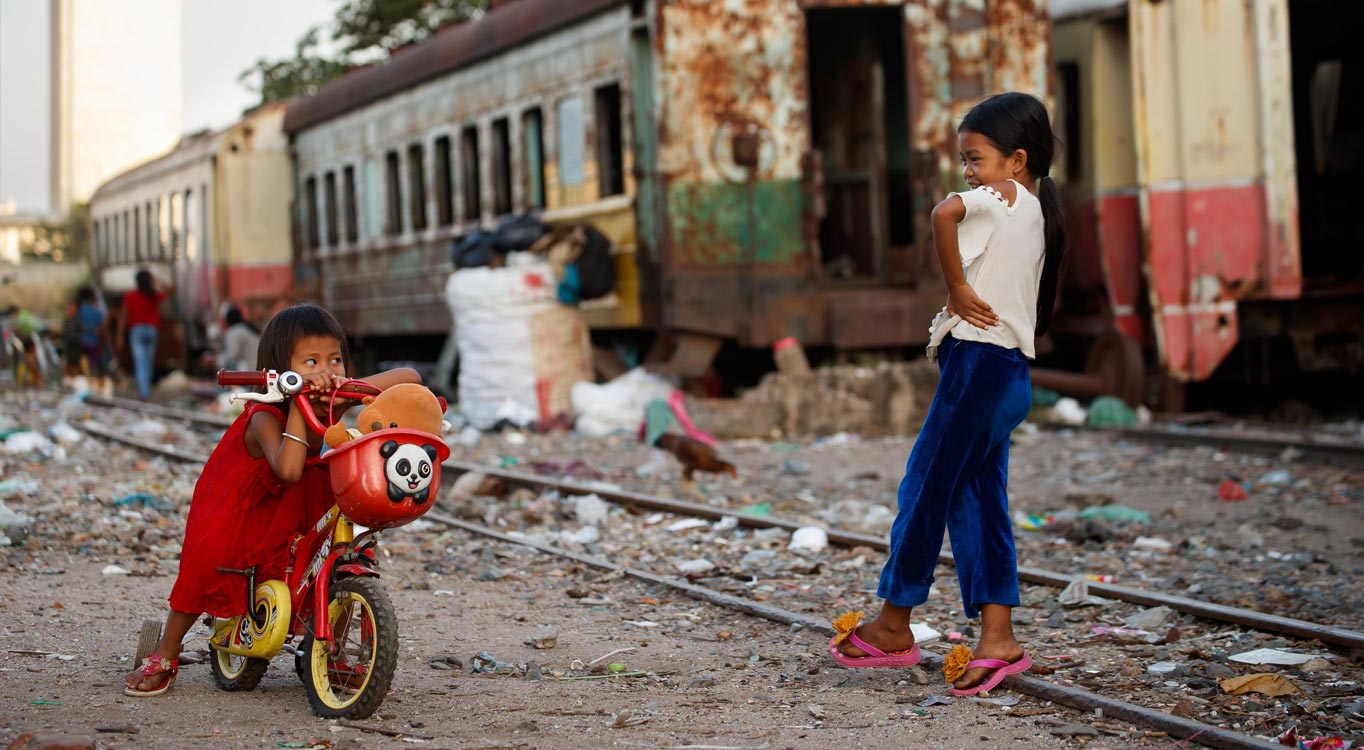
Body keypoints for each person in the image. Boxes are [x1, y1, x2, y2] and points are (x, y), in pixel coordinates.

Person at [830, 92, 1067, 696]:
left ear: (1016, 160)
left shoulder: (1002, 196)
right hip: (1008, 372)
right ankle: (998, 639)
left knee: (924, 488)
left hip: (978, 368)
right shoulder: (1036, 209)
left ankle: (892, 624)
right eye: (964, 160)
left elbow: (942, 213)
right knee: (977, 498)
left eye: (976, 158)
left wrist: (956, 287)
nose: (968, 172)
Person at [122, 303, 421, 697]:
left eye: (335, 359)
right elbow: (290, 470)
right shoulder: (264, 415)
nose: (326, 370)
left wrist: (348, 387)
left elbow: (410, 377)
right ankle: (168, 649)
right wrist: (298, 401)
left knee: (341, 558)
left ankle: (329, 645)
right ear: (281, 372)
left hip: (304, 501)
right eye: (311, 361)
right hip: (243, 503)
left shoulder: (336, 396)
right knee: (208, 563)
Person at [116, 269, 166, 400]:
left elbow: (124, 316)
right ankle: (146, 390)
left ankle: (144, 393)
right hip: (151, 331)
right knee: (148, 362)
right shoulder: (152, 295)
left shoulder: (130, 296)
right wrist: (157, 280)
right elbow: (171, 290)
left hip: (137, 331)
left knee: (140, 362)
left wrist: (120, 335)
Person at [75, 286, 109, 385]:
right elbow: (103, 329)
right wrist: (102, 344)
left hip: (80, 342)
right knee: (93, 365)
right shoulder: (96, 312)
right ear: (91, 298)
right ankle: (93, 384)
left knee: (81, 366)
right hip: (93, 342)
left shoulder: (78, 309)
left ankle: (83, 384)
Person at [219, 305, 260, 371]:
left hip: (253, 369)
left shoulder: (234, 331)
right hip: (261, 366)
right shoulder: (247, 328)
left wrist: (217, 359)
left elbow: (232, 355)